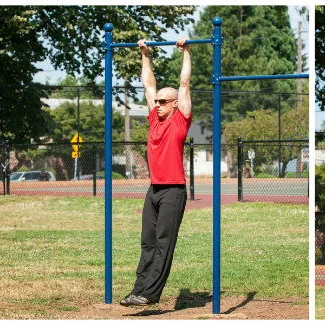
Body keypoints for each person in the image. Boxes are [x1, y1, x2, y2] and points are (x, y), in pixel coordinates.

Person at [120, 37, 192, 306]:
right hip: (154, 189)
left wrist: (186, 52)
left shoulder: (180, 121)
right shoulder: (154, 118)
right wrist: (145, 55)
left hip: (174, 189)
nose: (158, 103)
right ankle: (138, 291)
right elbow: (148, 84)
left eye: (164, 101)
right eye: (158, 101)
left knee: (163, 243)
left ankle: (150, 294)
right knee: (148, 241)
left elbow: (184, 84)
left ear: (174, 104)